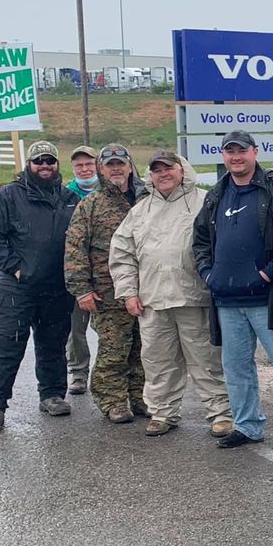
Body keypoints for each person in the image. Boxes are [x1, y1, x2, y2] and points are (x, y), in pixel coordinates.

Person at [192, 129, 273, 452]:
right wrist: (208, 275)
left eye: (242, 150)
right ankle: (247, 425)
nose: (236, 157)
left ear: (255, 152)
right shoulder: (216, 194)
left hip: (268, 299)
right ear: (223, 156)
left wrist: (268, 273)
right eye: (230, 151)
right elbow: (200, 241)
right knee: (236, 369)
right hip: (227, 301)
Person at [109, 150, 233, 438]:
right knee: (157, 362)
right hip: (152, 301)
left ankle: (221, 413)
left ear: (182, 170)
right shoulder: (139, 211)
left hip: (195, 298)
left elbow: (221, 245)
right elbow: (122, 254)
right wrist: (128, 292)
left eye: (168, 168)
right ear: (150, 175)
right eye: (157, 170)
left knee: (207, 361)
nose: (163, 174)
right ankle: (162, 413)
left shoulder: (205, 202)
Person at [0, 141, 78, 433]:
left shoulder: (70, 198)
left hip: (57, 287)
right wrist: (16, 268)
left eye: (49, 160)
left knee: (53, 345)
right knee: (7, 345)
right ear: (29, 164)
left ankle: (52, 394)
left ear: (57, 164)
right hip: (17, 289)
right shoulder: (7, 196)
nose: (44, 166)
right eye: (38, 161)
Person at [64, 144, 147, 424]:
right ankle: (113, 400)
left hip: (147, 289)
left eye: (120, 164)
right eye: (110, 165)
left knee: (144, 349)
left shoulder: (146, 199)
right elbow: (74, 249)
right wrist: (82, 290)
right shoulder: (91, 205)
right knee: (114, 350)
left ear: (130, 166)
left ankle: (141, 397)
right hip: (107, 294)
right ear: (101, 169)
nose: (116, 169)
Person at [64, 145, 99, 394]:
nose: (84, 169)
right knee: (75, 329)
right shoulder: (65, 196)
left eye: (89, 164)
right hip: (78, 272)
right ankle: (78, 372)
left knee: (114, 329)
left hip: (107, 273)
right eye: (79, 165)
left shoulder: (113, 191)